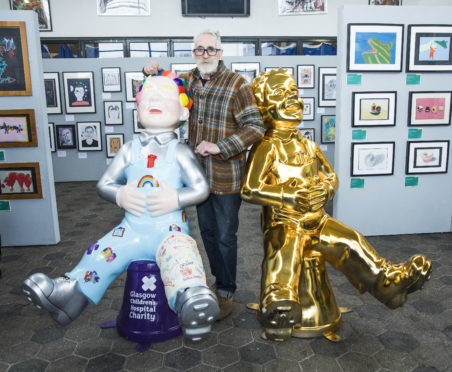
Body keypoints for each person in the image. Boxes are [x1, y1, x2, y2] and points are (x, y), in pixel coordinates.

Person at [23, 71, 219, 341]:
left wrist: (175, 198)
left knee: (182, 256)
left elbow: (201, 188)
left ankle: (191, 300)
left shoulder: (180, 151)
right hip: (130, 230)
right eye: (148, 96)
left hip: (169, 230)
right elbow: (104, 183)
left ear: (183, 113)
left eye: (164, 96)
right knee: (100, 252)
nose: (154, 100)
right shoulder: (129, 149)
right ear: (138, 111)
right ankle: (69, 296)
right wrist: (120, 194)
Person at [241, 68, 432, 341]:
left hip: (316, 220)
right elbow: (250, 190)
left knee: (351, 240)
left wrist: (326, 189)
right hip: (285, 223)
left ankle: (386, 282)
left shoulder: (308, 145)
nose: (292, 98)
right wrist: (287, 196)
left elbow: (330, 176)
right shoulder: (265, 147)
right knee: (285, 251)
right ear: (263, 107)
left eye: (294, 92)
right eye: (281, 94)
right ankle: (279, 301)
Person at [143, 30, 265, 319]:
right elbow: (159, 84)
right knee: (208, 233)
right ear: (194, 53)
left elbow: (255, 127)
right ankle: (217, 281)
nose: (205, 54)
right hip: (197, 177)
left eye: (211, 49)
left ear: (220, 53)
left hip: (226, 177)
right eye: (199, 49)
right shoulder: (187, 80)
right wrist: (149, 69)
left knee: (225, 236)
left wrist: (220, 146)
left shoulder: (238, 84)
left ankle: (225, 292)